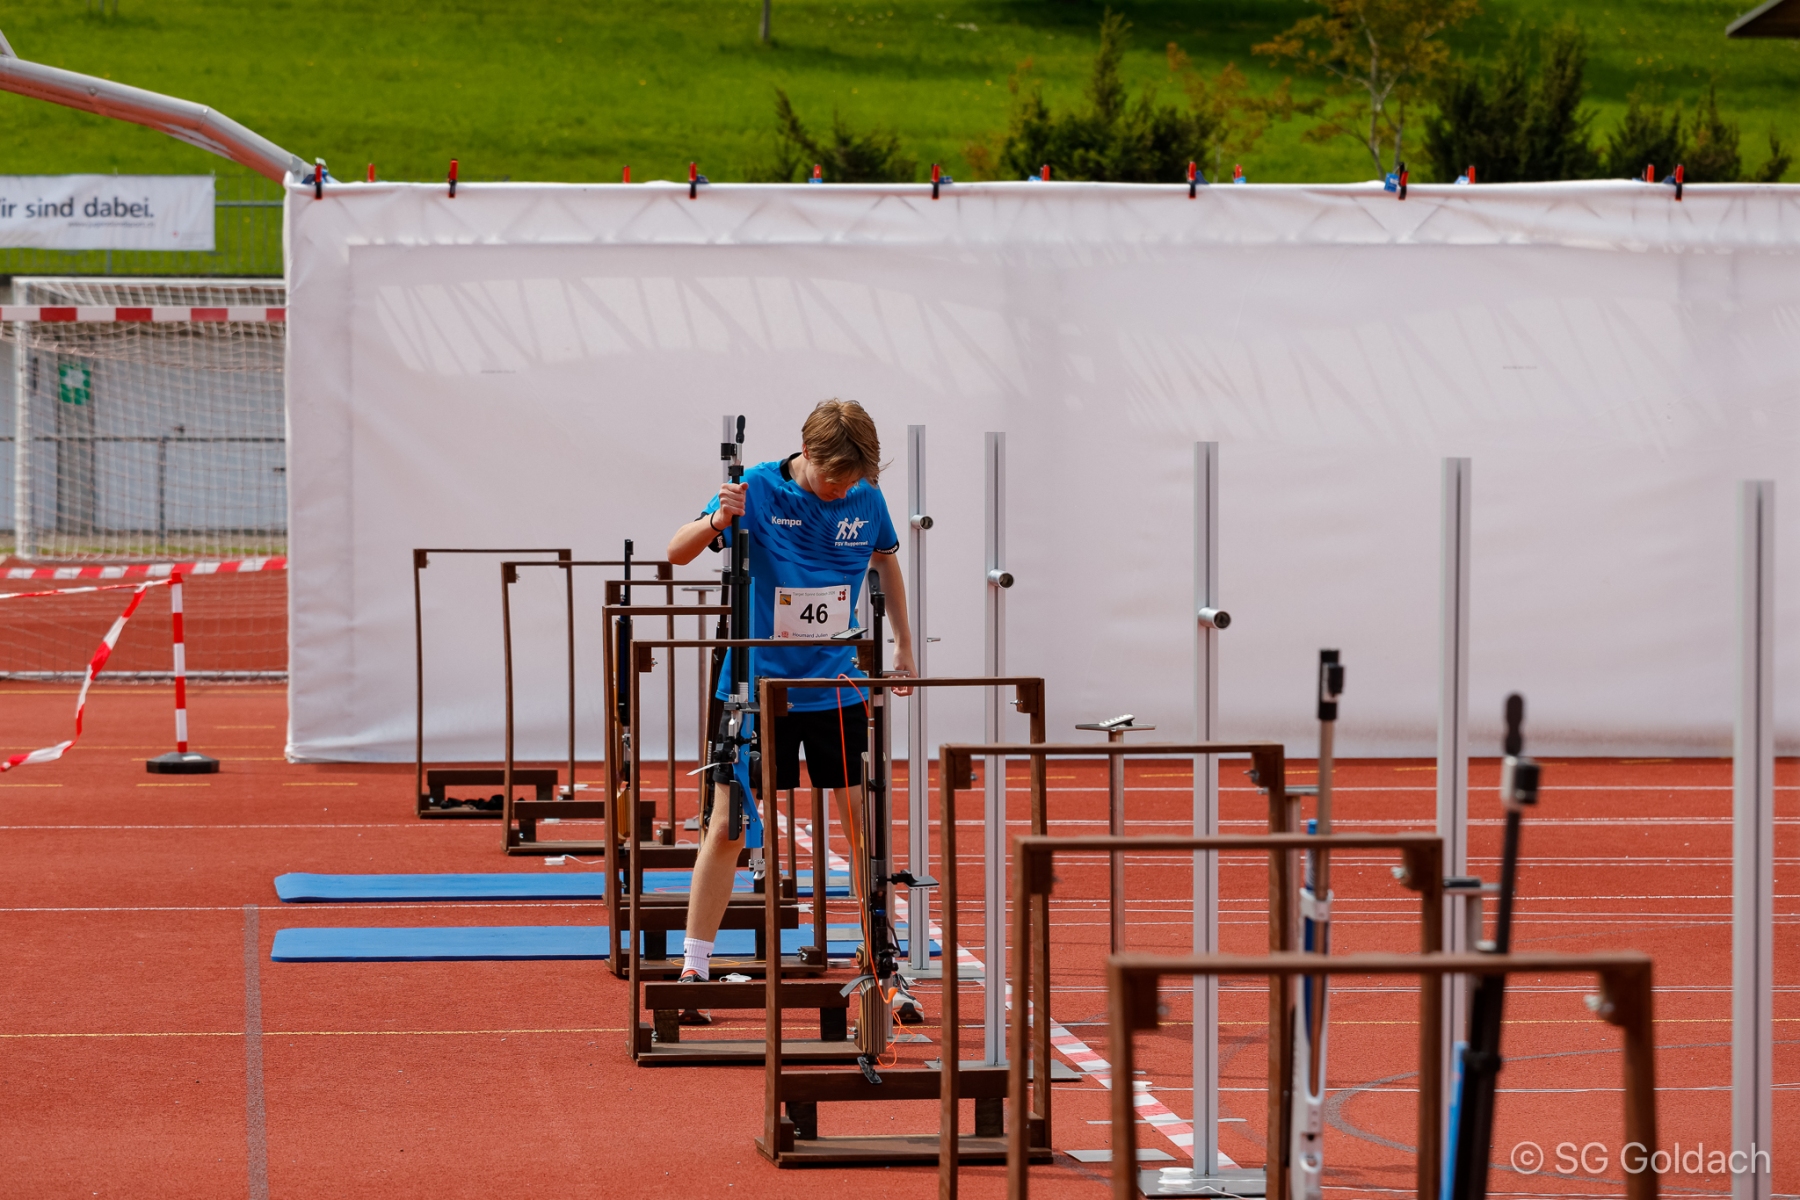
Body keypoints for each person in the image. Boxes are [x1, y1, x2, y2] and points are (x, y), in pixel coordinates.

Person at [666, 399, 915, 1004]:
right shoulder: (756, 487)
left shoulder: (866, 497)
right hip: (757, 691)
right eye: (833, 480)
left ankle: (879, 957)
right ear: (807, 453)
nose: (841, 492)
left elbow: (885, 563)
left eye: (852, 482)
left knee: (863, 826)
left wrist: (905, 645)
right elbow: (675, 552)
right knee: (728, 827)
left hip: (835, 687)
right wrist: (718, 520)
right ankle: (694, 966)